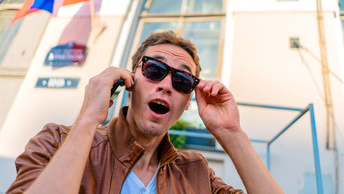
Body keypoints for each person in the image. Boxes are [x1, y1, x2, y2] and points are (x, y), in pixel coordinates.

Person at [6, 30, 283, 194]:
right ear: (129, 80)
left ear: (188, 102)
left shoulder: (197, 173)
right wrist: (89, 117)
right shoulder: (56, 141)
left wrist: (231, 133)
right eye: (154, 69)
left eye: (182, 80)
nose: (165, 86)